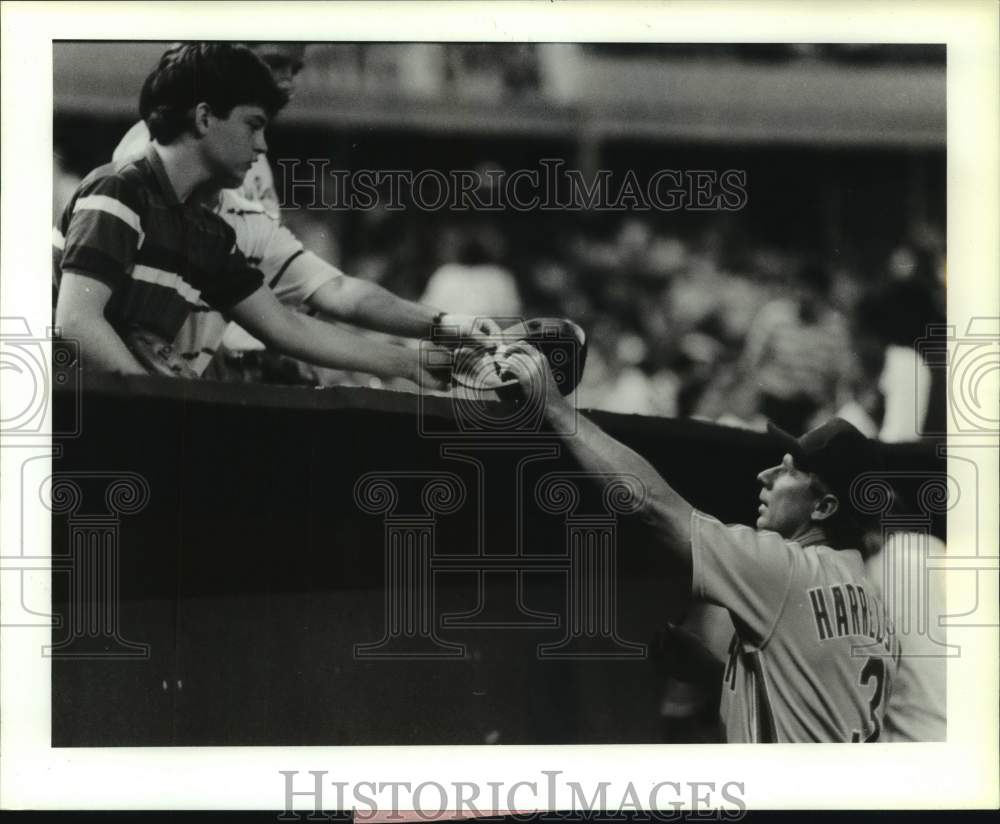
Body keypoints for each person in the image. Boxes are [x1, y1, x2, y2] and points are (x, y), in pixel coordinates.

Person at [501, 343, 901, 743]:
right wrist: (712, 673)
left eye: (788, 472)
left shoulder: (787, 570)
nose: (765, 475)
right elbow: (808, 709)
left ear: (824, 507)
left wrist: (554, 407)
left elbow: (650, 504)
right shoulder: (877, 607)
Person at [53, 43, 453, 386]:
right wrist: (156, 403)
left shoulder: (207, 230)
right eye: (253, 125)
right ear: (204, 117)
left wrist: (411, 363)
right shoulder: (119, 189)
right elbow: (75, 323)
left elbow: (284, 326)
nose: (261, 146)